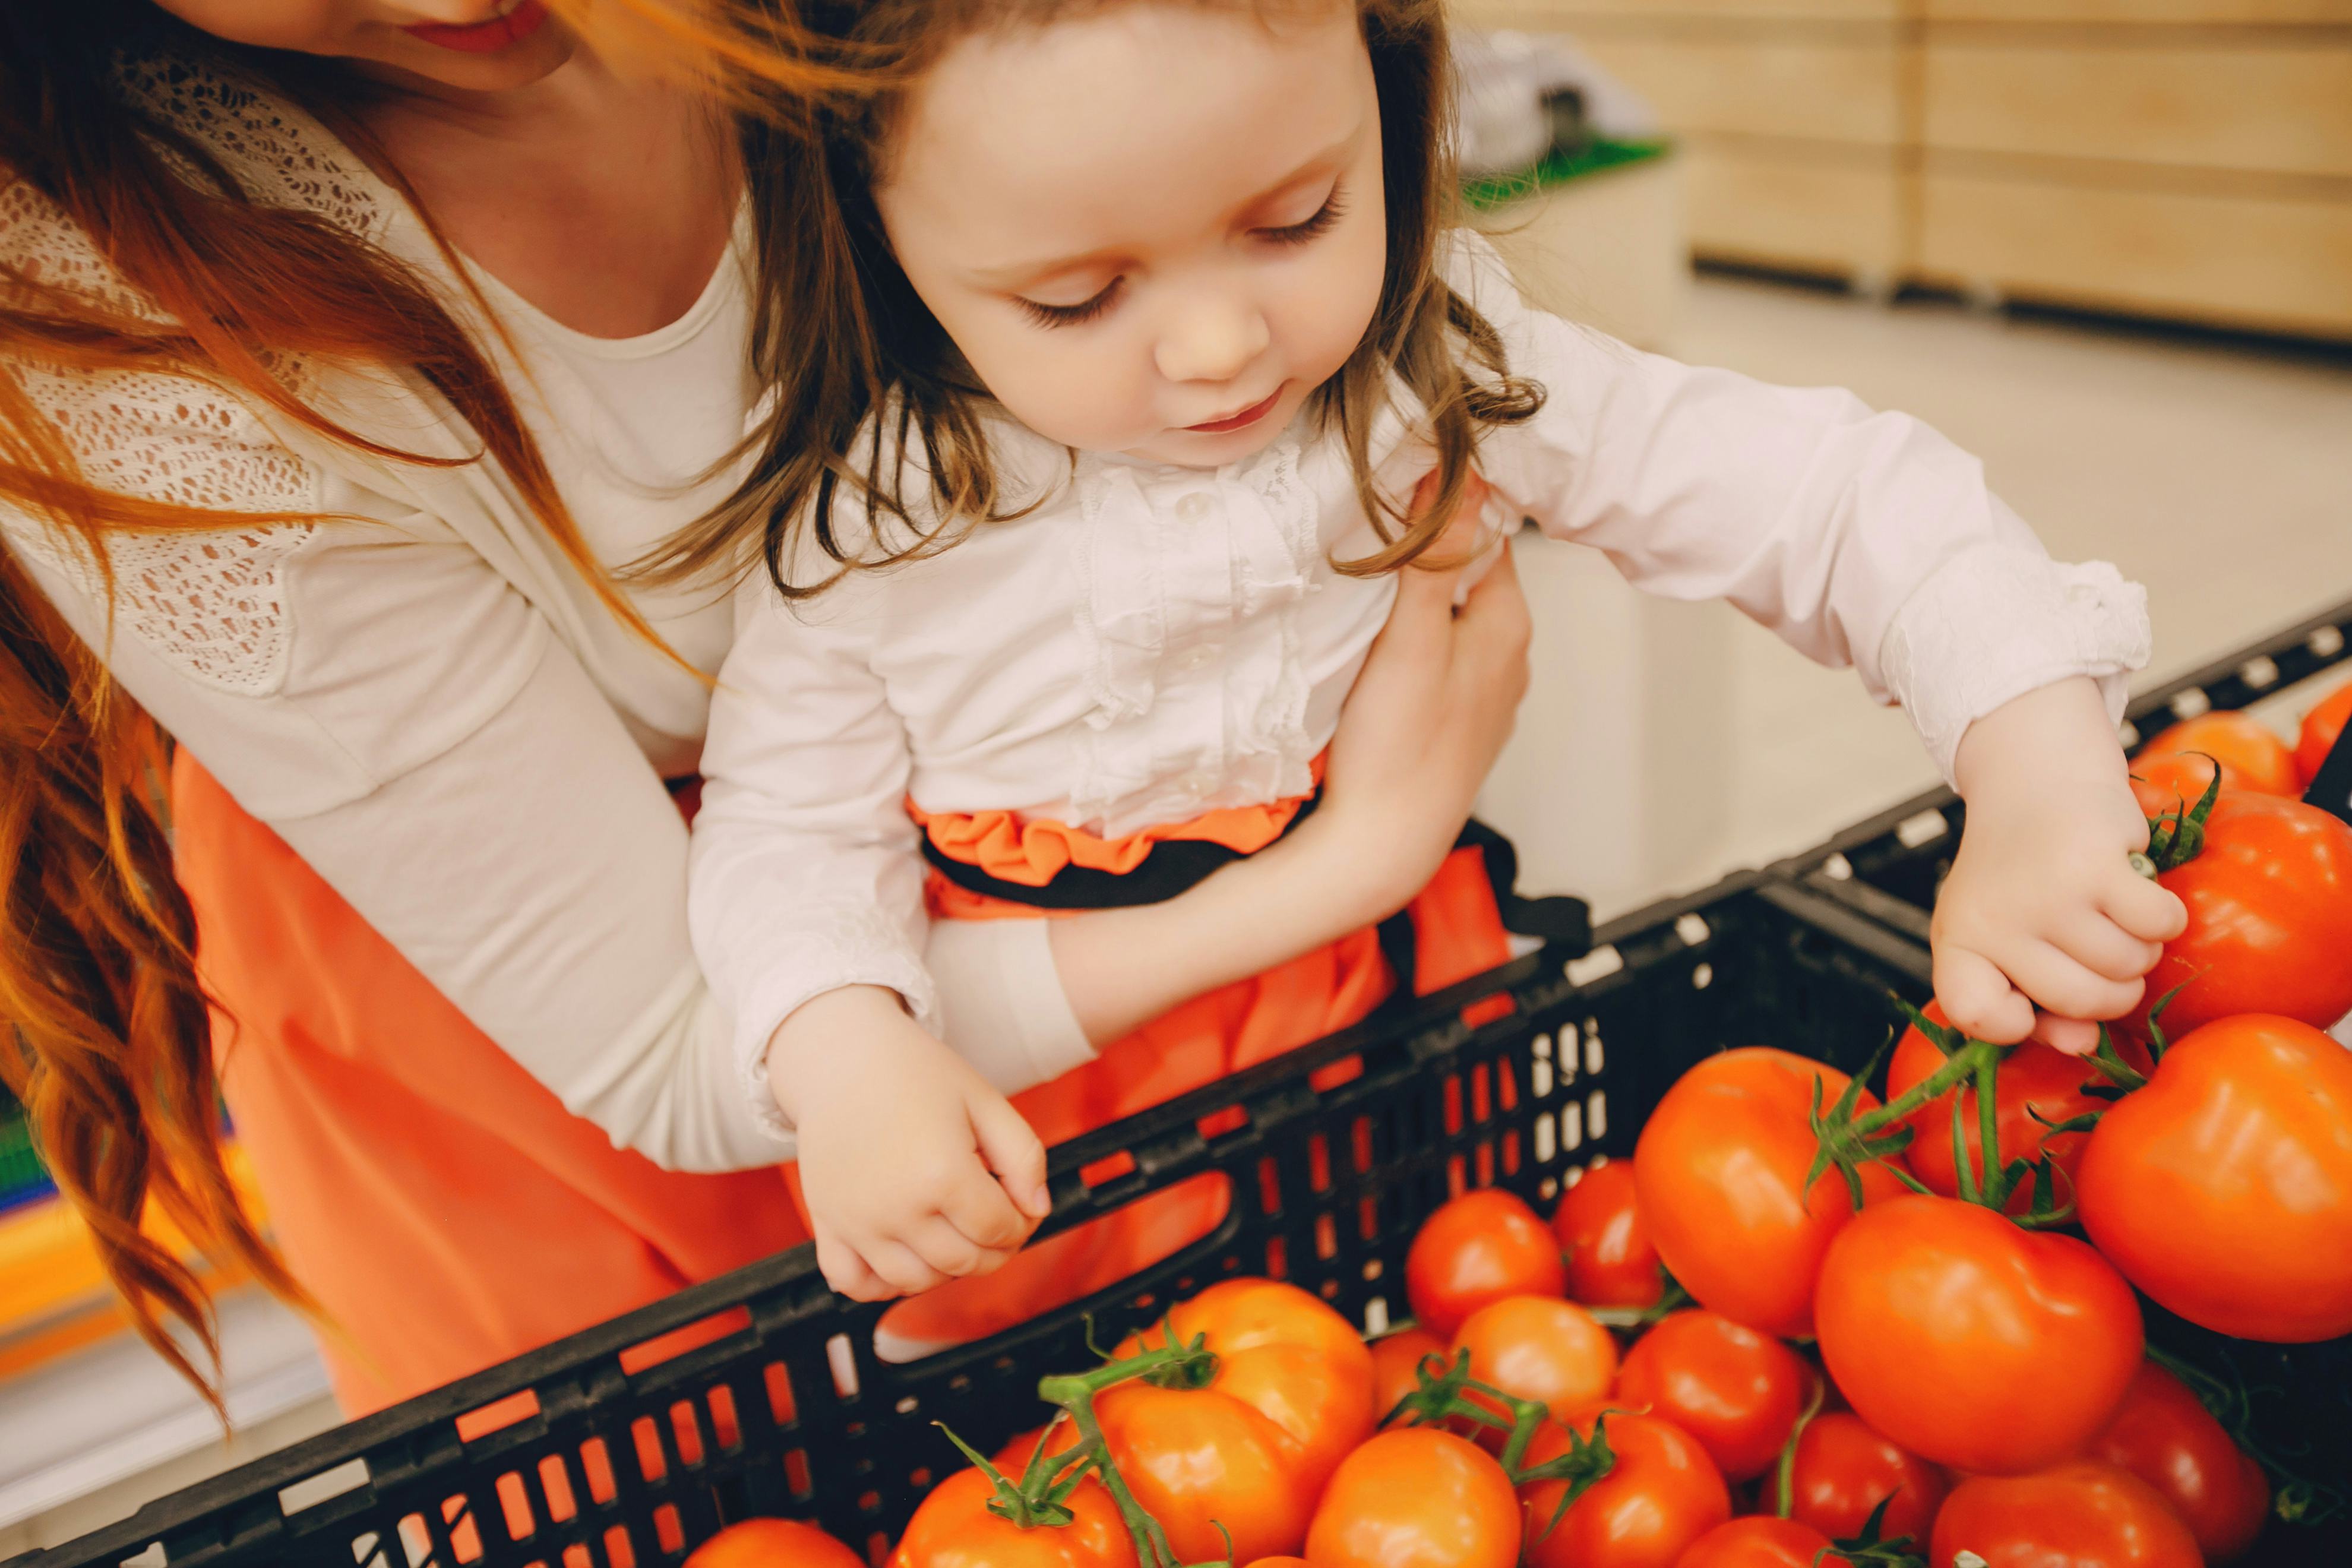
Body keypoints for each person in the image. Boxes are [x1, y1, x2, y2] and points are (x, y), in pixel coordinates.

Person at [0, 0, 1532, 1413]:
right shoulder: (113, 319)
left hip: (1131, 895)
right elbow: (684, 1048)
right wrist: (1355, 860)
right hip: (608, 1051)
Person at [681, 0, 2187, 1332]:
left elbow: (1830, 497)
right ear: (879, 234)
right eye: (1076, 299)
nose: (1219, 346)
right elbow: (782, 832)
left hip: (1387, 1012)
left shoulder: (1430, 368)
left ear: (1389, 100)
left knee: (1420, 1352)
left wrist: (2033, 762)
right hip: (1048, 1100)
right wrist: (844, 1055)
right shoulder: (873, 525)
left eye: (1300, 218)